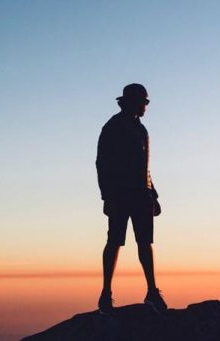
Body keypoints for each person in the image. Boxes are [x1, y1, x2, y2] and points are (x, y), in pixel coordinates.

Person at [95, 83, 167, 314]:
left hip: (140, 195)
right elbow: (102, 163)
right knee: (115, 241)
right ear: (132, 102)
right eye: (144, 101)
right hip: (120, 195)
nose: (146, 105)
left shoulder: (141, 129)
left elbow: (143, 165)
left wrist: (152, 193)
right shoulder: (113, 127)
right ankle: (106, 294)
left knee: (145, 243)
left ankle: (152, 292)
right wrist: (107, 196)